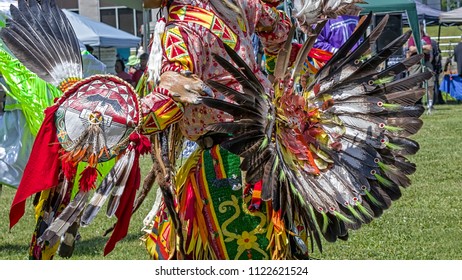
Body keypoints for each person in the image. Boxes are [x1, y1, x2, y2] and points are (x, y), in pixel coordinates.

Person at [407, 24, 434, 107]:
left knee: (430, 84)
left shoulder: (427, 38)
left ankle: (430, 104)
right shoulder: (412, 39)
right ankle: (413, 103)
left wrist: (418, 48)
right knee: (414, 85)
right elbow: (411, 49)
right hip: (415, 64)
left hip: (426, 63)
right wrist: (423, 48)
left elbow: (429, 48)